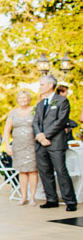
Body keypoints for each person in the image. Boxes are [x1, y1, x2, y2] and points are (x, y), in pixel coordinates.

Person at [33, 74, 77, 211]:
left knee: (61, 171)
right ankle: (51, 199)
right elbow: (35, 122)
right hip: (41, 144)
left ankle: (70, 201)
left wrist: (45, 135)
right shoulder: (40, 104)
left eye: (42, 84)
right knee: (45, 172)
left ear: (50, 85)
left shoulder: (62, 101)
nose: (40, 87)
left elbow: (61, 121)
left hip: (56, 143)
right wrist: (40, 137)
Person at [2, 90, 38, 206]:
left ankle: (32, 197)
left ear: (29, 99)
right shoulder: (13, 113)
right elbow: (7, 131)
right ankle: (23, 197)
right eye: (20, 98)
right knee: (22, 171)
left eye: (25, 98)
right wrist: (8, 145)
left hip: (32, 145)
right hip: (18, 146)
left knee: (32, 170)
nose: (23, 100)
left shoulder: (34, 110)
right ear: (18, 100)